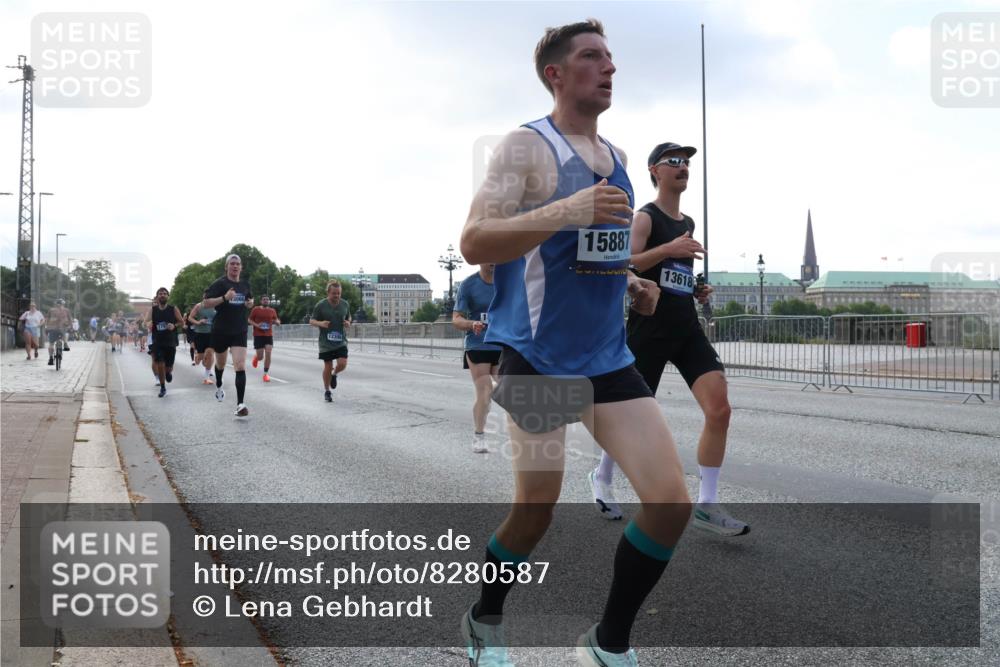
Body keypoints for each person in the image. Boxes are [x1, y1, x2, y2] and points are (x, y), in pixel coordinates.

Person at [458, 20, 690, 667]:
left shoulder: (616, 158)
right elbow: (475, 240)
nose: (608, 67)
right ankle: (485, 617)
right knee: (535, 514)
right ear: (556, 74)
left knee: (670, 502)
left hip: (608, 358)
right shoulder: (526, 148)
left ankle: (607, 643)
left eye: (611, 58)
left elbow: (597, 252)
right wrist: (568, 209)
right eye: (592, 57)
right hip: (537, 358)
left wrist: (632, 287)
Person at [588, 141, 749, 536]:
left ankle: (707, 505)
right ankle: (602, 475)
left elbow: (672, 274)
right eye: (673, 161)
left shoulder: (687, 222)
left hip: (686, 327)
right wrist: (670, 248)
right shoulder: (645, 218)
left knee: (720, 409)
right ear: (654, 171)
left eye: (687, 162)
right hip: (650, 328)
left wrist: (695, 289)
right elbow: (622, 263)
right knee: (628, 420)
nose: (683, 167)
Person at [452, 264, 501, 453]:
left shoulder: (508, 281)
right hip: (478, 344)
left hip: (504, 344)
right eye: (487, 257)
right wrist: (472, 324)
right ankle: (479, 436)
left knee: (511, 390)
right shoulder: (469, 284)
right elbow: (456, 318)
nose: (492, 261)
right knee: (484, 391)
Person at [202, 254, 253, 417]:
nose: (235, 266)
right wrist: (225, 297)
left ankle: (240, 404)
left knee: (240, 365)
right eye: (232, 264)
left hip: (239, 329)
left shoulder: (245, 284)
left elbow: (249, 300)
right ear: (227, 267)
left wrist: (249, 304)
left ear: (241, 267)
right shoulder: (220, 283)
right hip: (221, 330)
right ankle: (218, 384)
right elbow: (206, 303)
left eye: (238, 264)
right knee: (221, 364)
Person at [310, 279, 350, 402]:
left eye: (338, 293)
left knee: (342, 363)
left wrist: (348, 322)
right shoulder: (321, 305)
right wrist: (321, 323)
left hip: (340, 341)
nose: (336, 296)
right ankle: (327, 391)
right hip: (325, 343)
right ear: (328, 292)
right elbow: (311, 321)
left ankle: (334, 374)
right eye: (334, 293)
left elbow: (349, 316)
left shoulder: (345, 304)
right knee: (328, 365)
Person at [143, 288, 185, 398]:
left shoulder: (173, 309)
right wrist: (148, 324)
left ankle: (168, 373)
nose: (162, 295)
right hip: (158, 341)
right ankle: (163, 387)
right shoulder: (153, 310)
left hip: (170, 341)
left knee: (168, 367)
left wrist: (174, 325)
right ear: (157, 297)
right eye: (160, 294)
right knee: (160, 363)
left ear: (168, 296)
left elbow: (182, 322)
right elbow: (145, 322)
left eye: (165, 294)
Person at [249, 295, 281, 382]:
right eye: (264, 300)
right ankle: (257, 357)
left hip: (268, 335)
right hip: (258, 335)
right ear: (261, 301)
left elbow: (276, 320)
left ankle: (265, 374)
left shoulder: (272, 310)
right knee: (260, 357)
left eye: (267, 300)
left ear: (269, 301)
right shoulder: (256, 309)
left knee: (268, 353)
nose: (266, 301)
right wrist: (257, 325)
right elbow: (249, 320)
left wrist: (277, 322)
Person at [189, 298, 217, 385]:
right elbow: (190, 318)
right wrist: (198, 322)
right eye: (206, 297)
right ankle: (198, 357)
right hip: (200, 334)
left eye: (209, 297)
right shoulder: (198, 306)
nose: (207, 299)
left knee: (210, 354)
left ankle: (206, 377)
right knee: (201, 357)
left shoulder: (215, 306)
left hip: (212, 334)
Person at [45, 299, 72, 364]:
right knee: (64, 333)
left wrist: (47, 327)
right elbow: (70, 319)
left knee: (51, 344)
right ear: (63, 304)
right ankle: (65, 344)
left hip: (52, 329)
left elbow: (47, 319)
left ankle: (51, 358)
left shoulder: (51, 310)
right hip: (62, 328)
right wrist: (70, 326)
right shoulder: (66, 310)